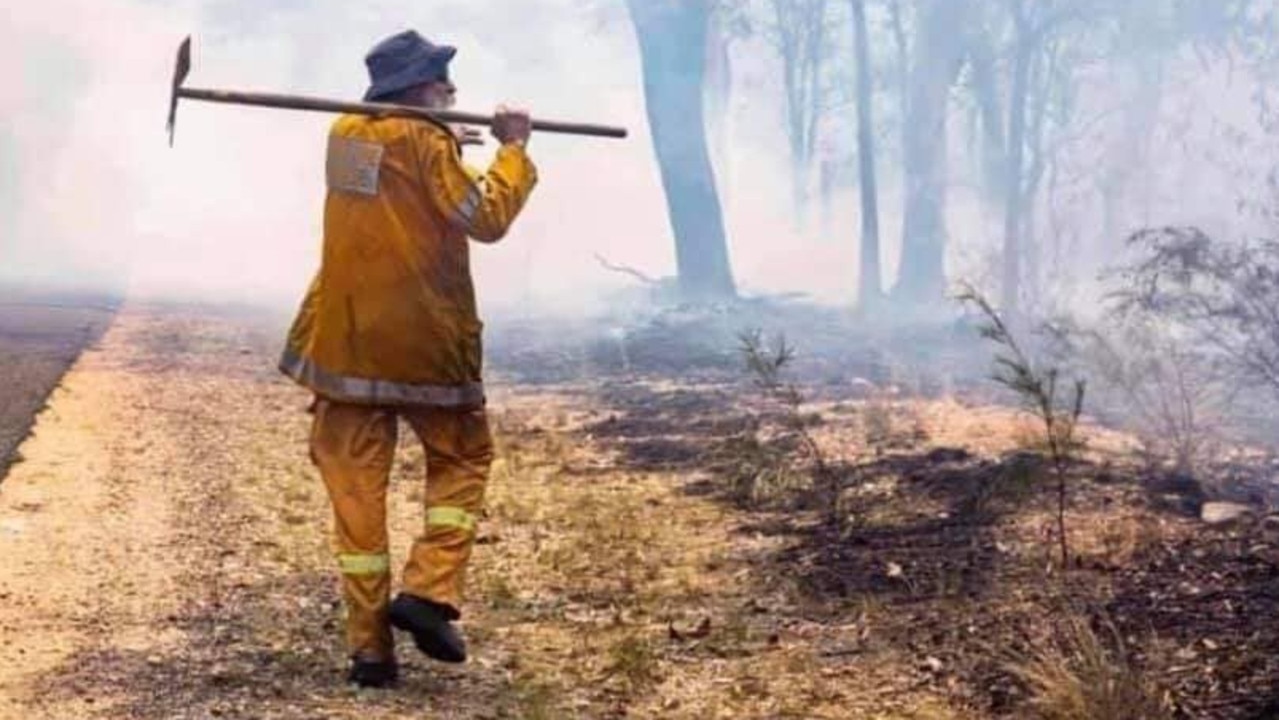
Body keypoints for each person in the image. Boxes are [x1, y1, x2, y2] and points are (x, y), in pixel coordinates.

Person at [279, 29, 537, 688]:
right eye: (446, 87)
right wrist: (511, 149)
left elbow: (396, 190)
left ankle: (370, 652)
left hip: (347, 346)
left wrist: (447, 144)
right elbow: (482, 216)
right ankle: (426, 592)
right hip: (425, 346)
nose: (455, 94)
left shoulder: (347, 133)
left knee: (356, 502)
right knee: (463, 458)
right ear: (424, 89)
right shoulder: (424, 140)